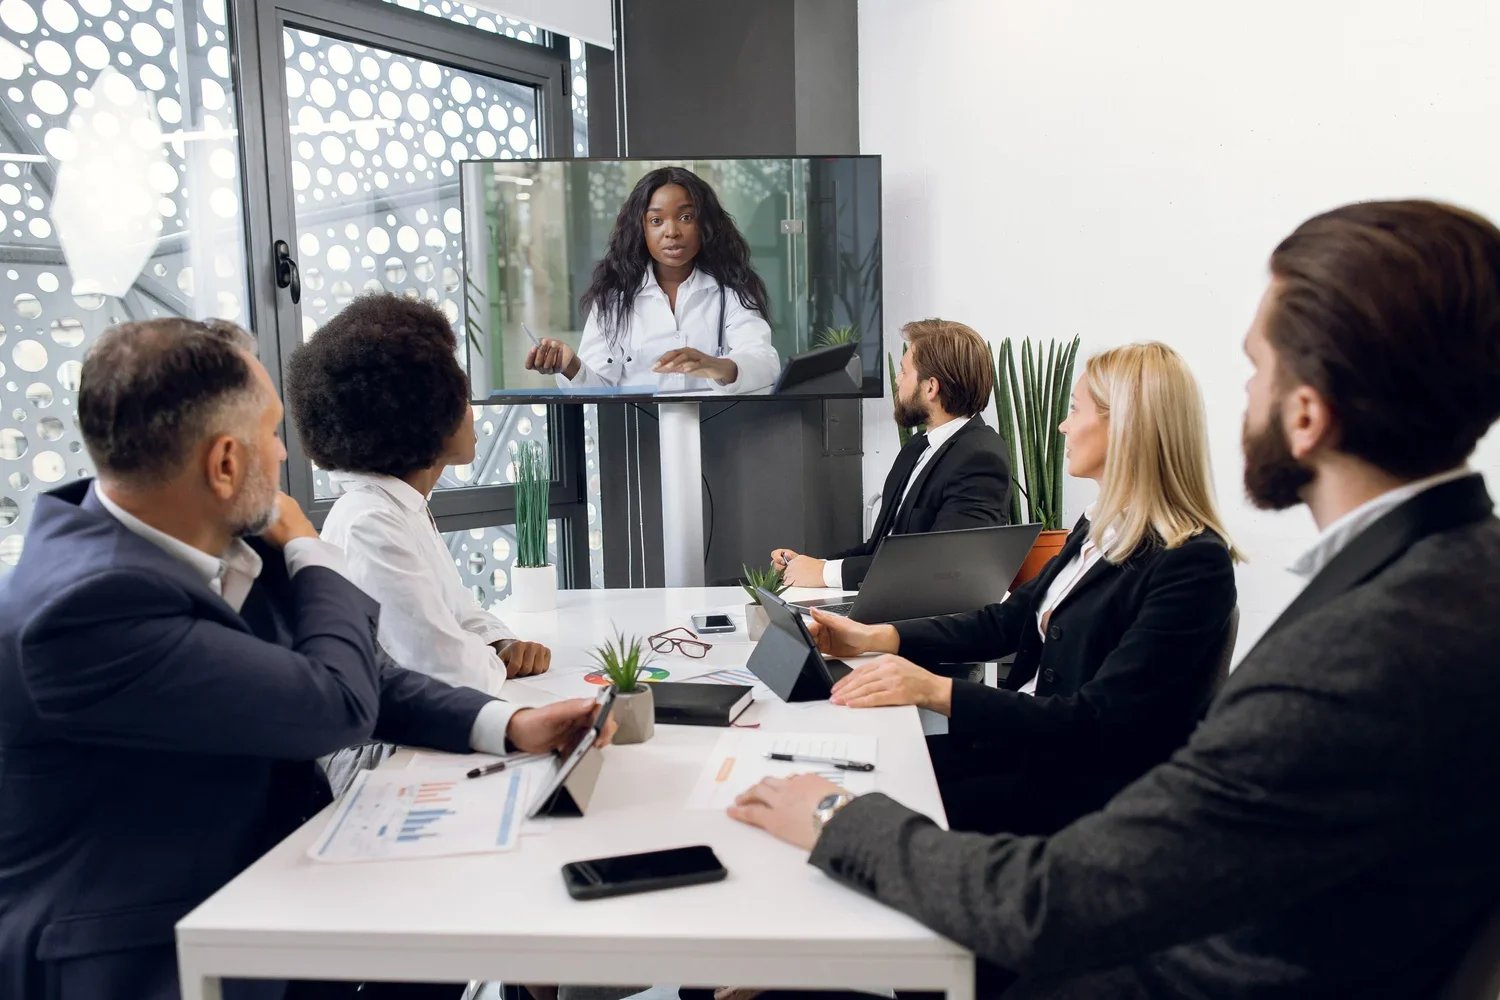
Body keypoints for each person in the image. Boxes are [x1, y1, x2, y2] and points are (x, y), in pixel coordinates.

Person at [731, 199, 1500, 998]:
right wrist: (887, 642)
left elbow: (1060, 900)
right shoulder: (1448, 578)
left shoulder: (1355, 652)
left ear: (1306, 414)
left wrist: (835, 819)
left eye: (1256, 369)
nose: (1243, 395)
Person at [0, 318, 613, 1000]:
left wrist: (508, 724)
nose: (285, 457)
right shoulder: (86, 606)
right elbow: (332, 704)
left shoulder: (207, 536)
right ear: (225, 463)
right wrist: (311, 549)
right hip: (148, 952)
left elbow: (369, 674)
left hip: (277, 887)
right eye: (270, 434)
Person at [810, 341, 1241, 835]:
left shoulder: (1192, 565)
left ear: (1125, 426)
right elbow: (1009, 622)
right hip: (1022, 755)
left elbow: (1099, 721)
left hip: (1079, 793)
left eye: (1075, 409)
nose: (1062, 425)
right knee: (854, 772)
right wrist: (877, 637)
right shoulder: (1099, 529)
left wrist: (933, 690)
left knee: (858, 814)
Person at [288, 293, 553, 701]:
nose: (471, 411)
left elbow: (458, 610)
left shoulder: (401, 506)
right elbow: (445, 668)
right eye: (460, 397)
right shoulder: (369, 521)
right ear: (426, 411)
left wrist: (502, 643)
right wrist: (492, 660)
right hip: (391, 754)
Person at [772, 318, 1011, 590]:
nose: (897, 381)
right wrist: (808, 565)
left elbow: (943, 566)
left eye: (904, 372)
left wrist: (825, 573)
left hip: (922, 619)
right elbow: (878, 550)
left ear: (931, 387)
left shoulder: (980, 457)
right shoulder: (918, 447)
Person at [524, 165, 781, 394]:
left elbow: (765, 363)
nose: (672, 232)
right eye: (656, 220)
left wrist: (715, 366)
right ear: (641, 229)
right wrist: (571, 365)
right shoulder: (614, 297)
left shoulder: (731, 289)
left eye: (685, 217)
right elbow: (599, 391)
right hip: (638, 432)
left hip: (716, 430)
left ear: (705, 224)